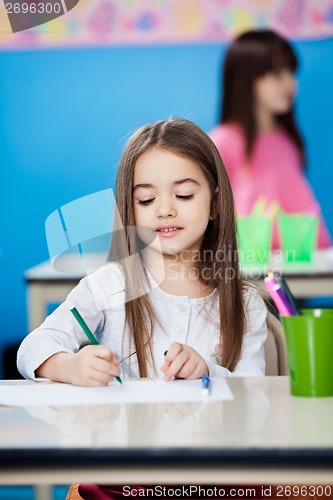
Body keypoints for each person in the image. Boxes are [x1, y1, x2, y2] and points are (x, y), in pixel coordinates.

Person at [17, 117, 268, 500]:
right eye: (146, 200)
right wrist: (69, 366)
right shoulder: (110, 286)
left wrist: (209, 373)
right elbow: (31, 348)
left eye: (183, 195)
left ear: (216, 204)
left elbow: (258, 402)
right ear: (129, 211)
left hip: (217, 478)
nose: (164, 210)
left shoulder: (245, 302)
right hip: (124, 478)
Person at [209, 29, 331, 249]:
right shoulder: (223, 142)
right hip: (253, 269)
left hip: (308, 263)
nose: (290, 84)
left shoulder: (287, 140)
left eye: (291, 72)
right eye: (276, 73)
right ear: (244, 80)